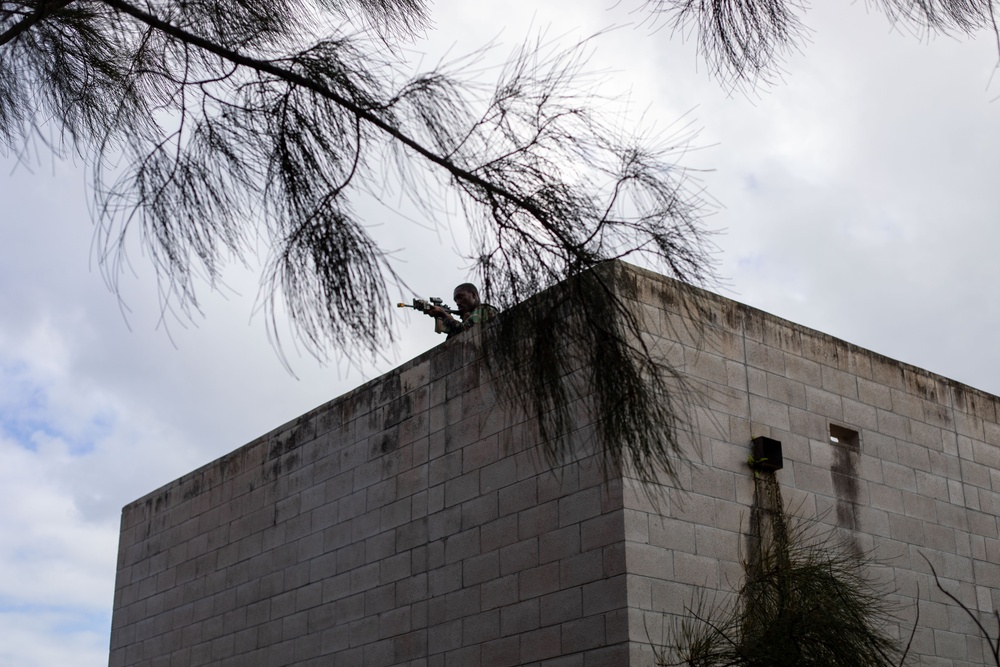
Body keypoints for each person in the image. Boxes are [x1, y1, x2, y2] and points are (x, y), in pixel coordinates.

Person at [426, 283, 497, 338]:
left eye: (460, 297)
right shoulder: (469, 316)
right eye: (455, 300)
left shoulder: (484, 310)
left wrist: (443, 315)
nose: (457, 303)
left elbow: (466, 332)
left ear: (473, 295)